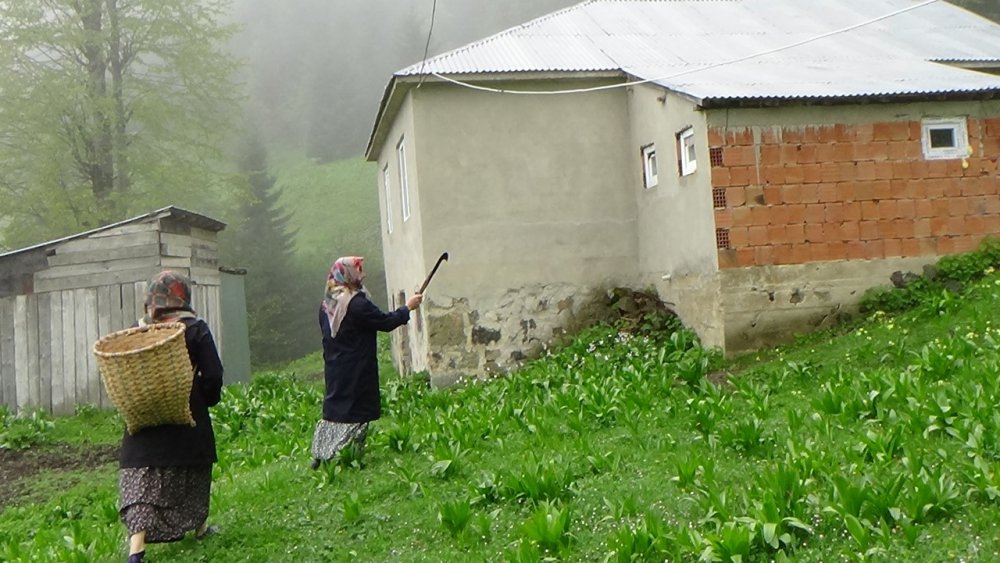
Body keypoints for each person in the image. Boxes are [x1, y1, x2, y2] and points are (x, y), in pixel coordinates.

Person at [119, 270, 224, 563]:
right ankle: (200, 527)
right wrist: (206, 398)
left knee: (143, 484)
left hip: (143, 422)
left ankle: (136, 548)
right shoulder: (194, 328)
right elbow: (213, 374)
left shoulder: (136, 331)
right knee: (192, 473)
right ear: (182, 296)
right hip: (186, 419)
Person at [311, 256, 422, 469]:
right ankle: (347, 454)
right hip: (356, 366)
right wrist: (407, 308)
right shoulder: (356, 304)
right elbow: (385, 322)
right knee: (356, 412)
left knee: (335, 410)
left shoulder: (328, 303)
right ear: (348, 274)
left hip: (335, 365)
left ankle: (321, 453)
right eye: (359, 270)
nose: (363, 275)